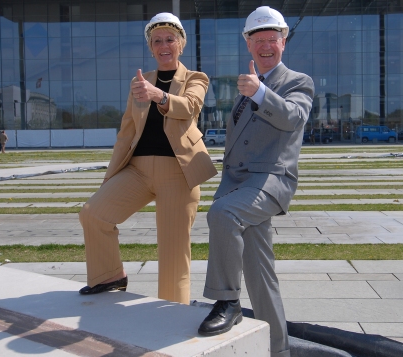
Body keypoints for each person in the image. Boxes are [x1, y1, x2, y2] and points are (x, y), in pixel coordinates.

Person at [197, 6, 314, 357]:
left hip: (271, 182)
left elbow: (293, 117)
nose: (266, 46)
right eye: (258, 39)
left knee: (222, 216)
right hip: (240, 184)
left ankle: (227, 301)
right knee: (262, 277)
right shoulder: (247, 86)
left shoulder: (297, 82)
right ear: (248, 44)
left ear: (284, 42)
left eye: (272, 40)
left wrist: (260, 94)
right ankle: (278, 351)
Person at [78, 12, 217, 305]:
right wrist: (110, 178)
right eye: (157, 41)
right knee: (94, 213)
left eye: (170, 40)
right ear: (151, 47)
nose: (163, 45)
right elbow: (126, 132)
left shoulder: (196, 78)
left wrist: (159, 96)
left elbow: (190, 107)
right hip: (138, 170)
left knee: (172, 253)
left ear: (181, 45)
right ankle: (110, 277)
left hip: (179, 172)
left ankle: (171, 316)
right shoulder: (140, 82)